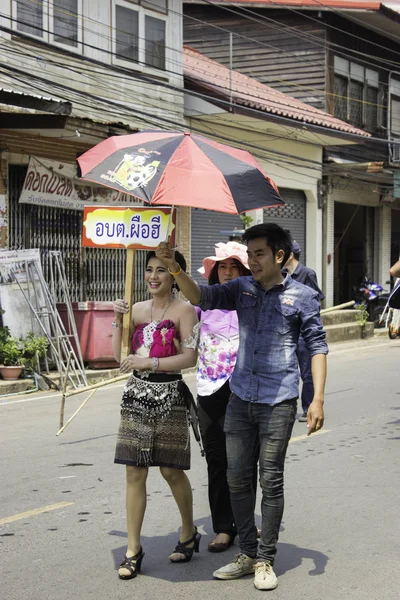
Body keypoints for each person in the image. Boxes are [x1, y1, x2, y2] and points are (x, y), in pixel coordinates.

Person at [156, 223, 328, 591]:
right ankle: (247, 552)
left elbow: (317, 347)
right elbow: (199, 295)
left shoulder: (302, 296)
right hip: (239, 398)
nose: (252, 261)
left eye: (259, 254)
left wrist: (317, 399)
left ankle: (265, 558)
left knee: (270, 478)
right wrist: (174, 269)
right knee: (236, 477)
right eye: (249, 254)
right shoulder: (241, 289)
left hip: (279, 402)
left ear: (279, 256)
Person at [112, 250, 201, 580]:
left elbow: (190, 357)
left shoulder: (185, 310)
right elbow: (116, 357)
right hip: (136, 397)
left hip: (171, 397)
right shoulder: (135, 310)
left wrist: (149, 363)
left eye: (161, 270)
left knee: (171, 470)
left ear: (174, 275)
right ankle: (133, 549)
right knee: (134, 471)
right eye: (149, 269)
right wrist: (116, 319)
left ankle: (189, 532)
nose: (152, 276)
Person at [196, 241, 258, 553]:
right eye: (223, 266)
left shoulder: (253, 302)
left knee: (246, 461)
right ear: (214, 271)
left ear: (245, 271)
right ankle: (223, 527)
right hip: (209, 391)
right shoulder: (202, 305)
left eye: (235, 266)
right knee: (218, 460)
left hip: (246, 391)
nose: (228, 271)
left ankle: (246, 521)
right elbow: (173, 325)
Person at [283, 240, 325, 422]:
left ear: (290, 255)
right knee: (287, 370)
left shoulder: (307, 274)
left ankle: (308, 407)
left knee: (307, 373)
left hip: (304, 335)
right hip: (287, 333)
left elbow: (316, 299)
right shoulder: (282, 275)